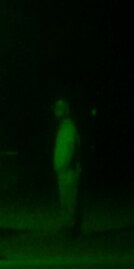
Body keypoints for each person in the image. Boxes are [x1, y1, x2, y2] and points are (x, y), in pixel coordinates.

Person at [52, 99, 83, 238]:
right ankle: (67, 227)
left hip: (68, 170)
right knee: (65, 200)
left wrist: (65, 164)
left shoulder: (69, 127)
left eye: (60, 108)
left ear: (66, 110)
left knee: (70, 200)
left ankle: (71, 229)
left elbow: (71, 148)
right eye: (56, 108)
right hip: (63, 170)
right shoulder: (63, 127)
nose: (56, 111)